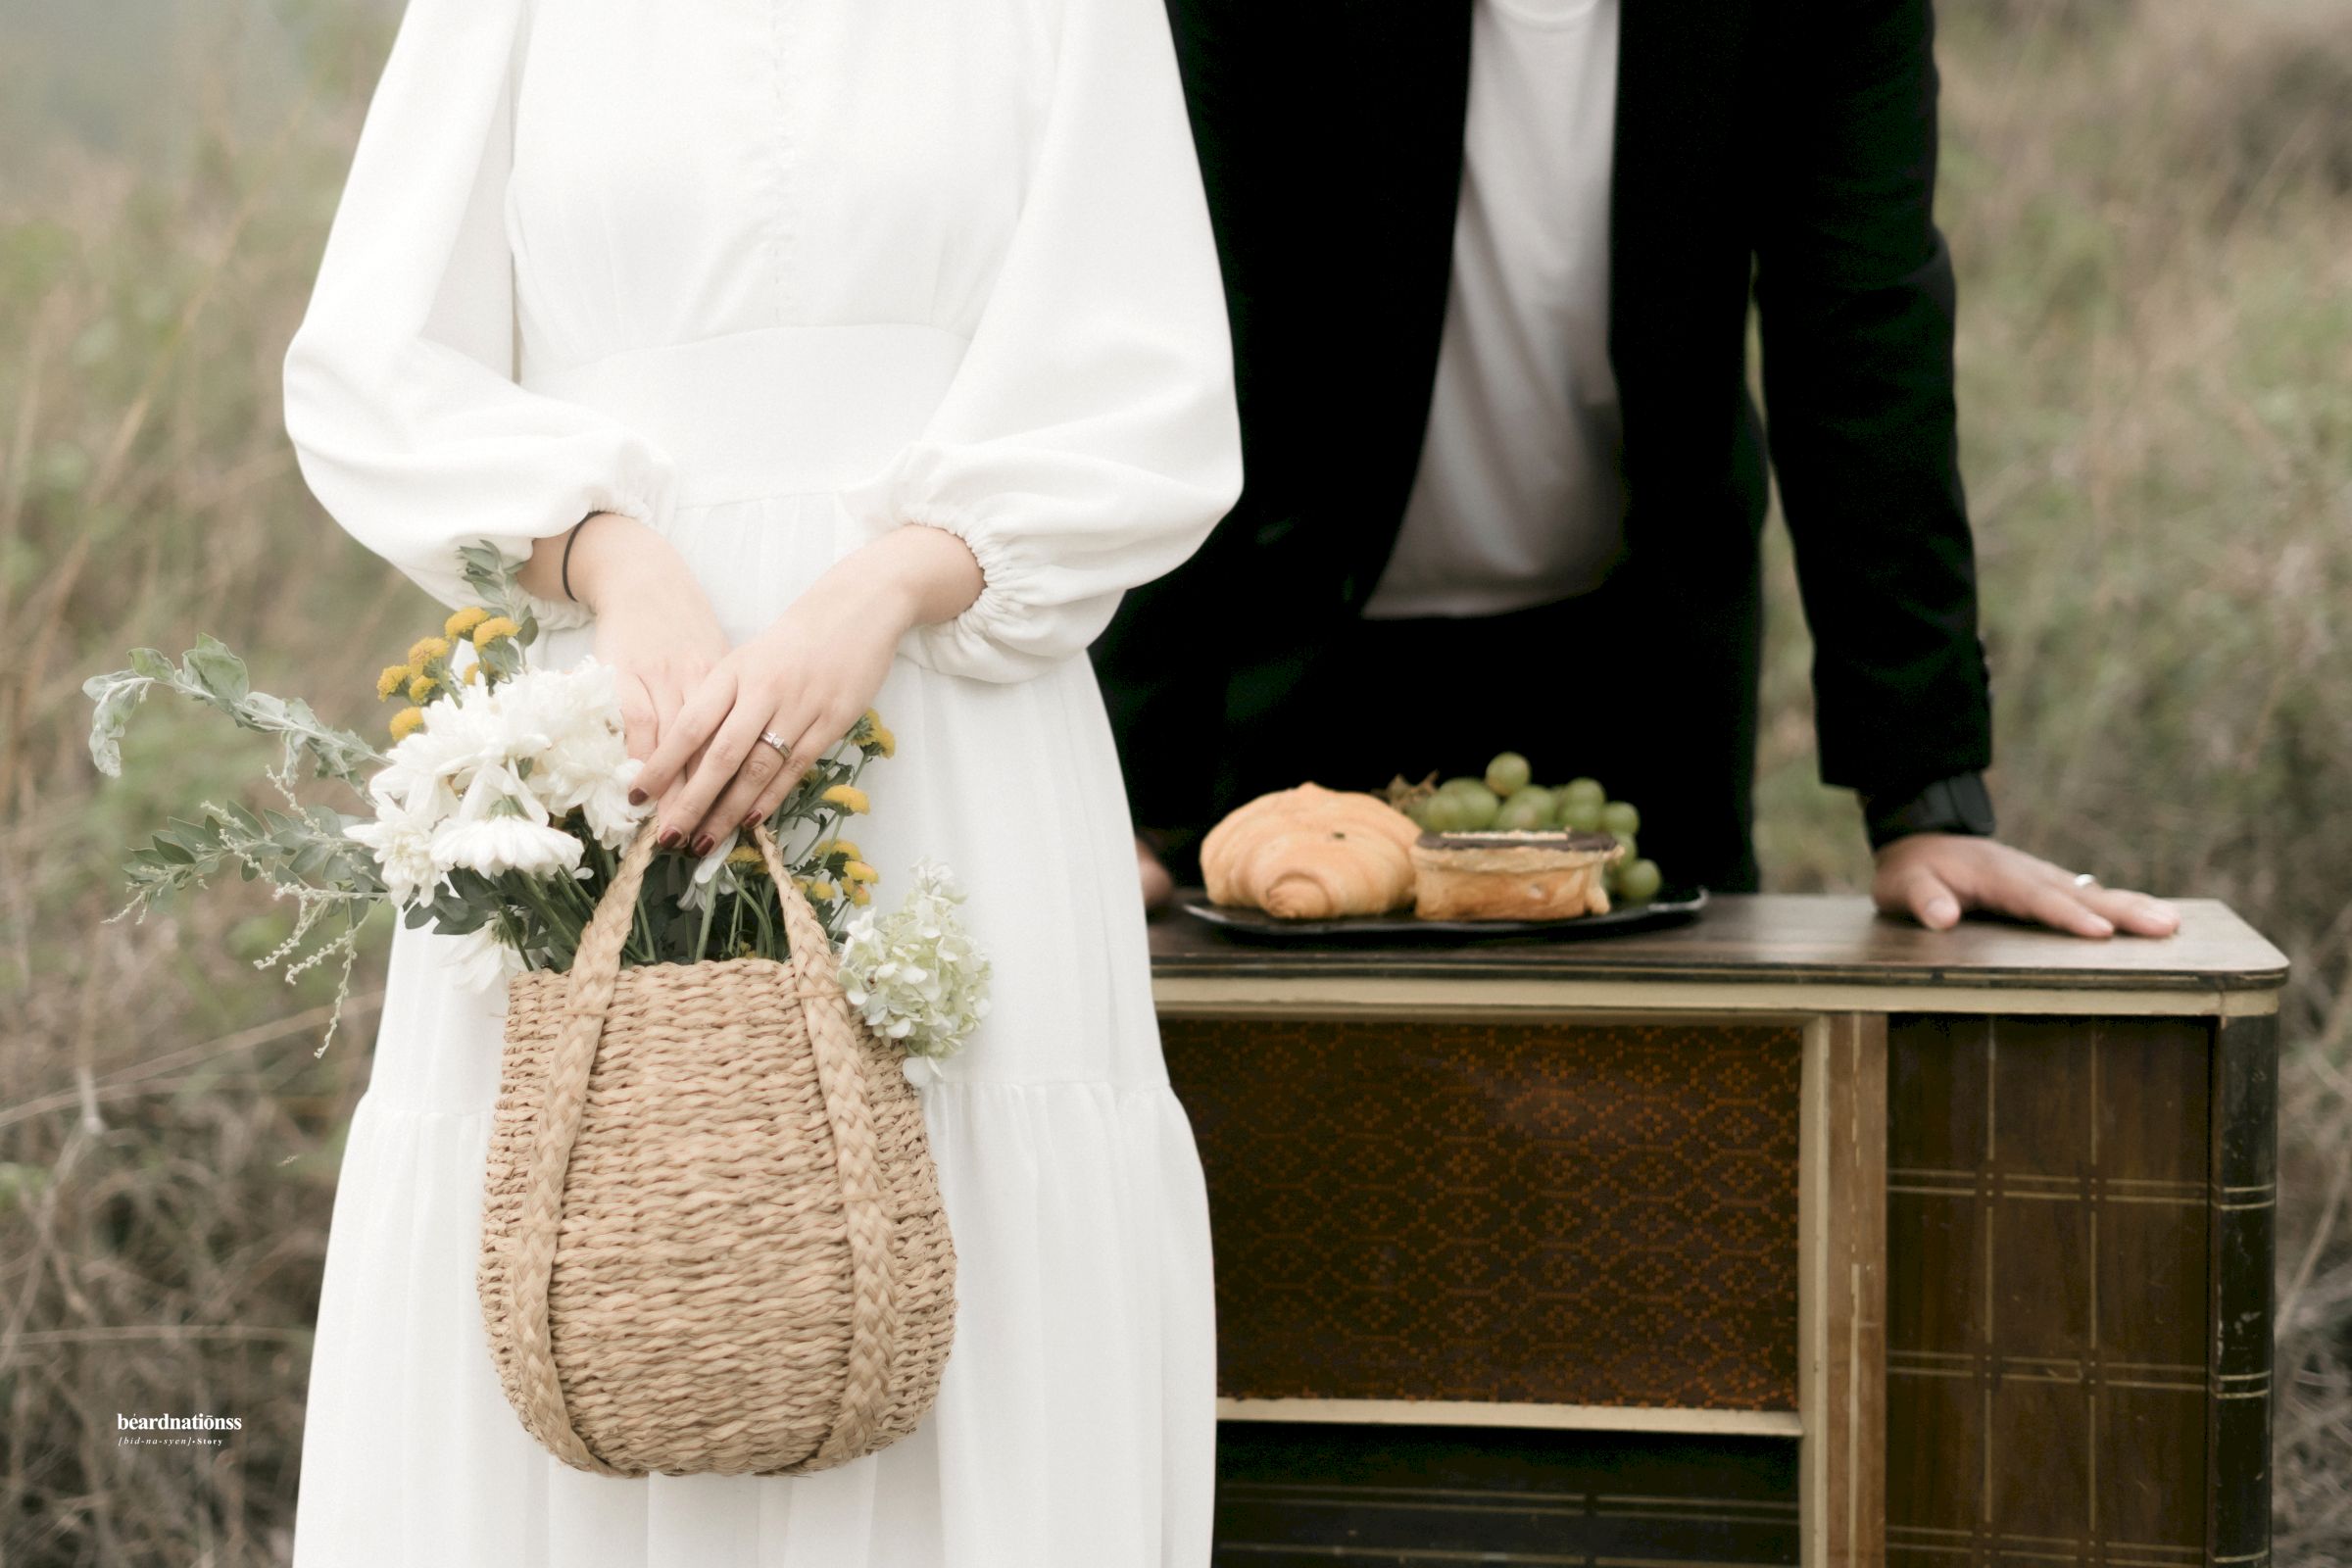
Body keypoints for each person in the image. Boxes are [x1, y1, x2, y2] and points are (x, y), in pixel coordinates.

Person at [277, 0, 1242, 1561]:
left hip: (953, 717)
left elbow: (1147, 390)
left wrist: (888, 587)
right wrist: (607, 553)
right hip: (611, 722)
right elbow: (370, 368)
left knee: (970, 1254)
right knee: (592, 1235)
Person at [1094, 0, 2180, 942]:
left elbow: (1862, 336)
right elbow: (1184, 319)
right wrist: (1135, 793)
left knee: (1670, 1106)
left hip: (1640, 663)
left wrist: (1924, 801)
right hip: (1280, 653)